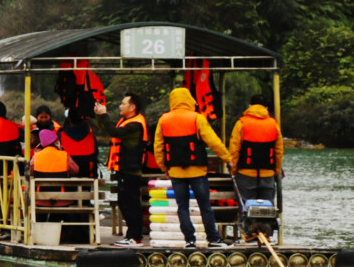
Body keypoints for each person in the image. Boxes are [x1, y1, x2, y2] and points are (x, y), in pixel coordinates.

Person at [155, 87, 233, 247]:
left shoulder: (163, 120)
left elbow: (158, 147)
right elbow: (213, 141)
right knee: (205, 206)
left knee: (182, 207)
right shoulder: (197, 118)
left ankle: (189, 240)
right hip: (197, 171)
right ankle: (213, 239)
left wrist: (164, 168)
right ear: (189, 99)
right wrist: (228, 159)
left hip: (175, 171)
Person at [228, 95, 281, 239]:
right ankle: (266, 234)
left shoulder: (241, 124)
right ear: (266, 108)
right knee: (266, 208)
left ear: (249, 105)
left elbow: (234, 150)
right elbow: (278, 151)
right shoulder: (273, 124)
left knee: (246, 208)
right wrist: (276, 171)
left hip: (245, 173)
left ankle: (248, 235)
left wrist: (233, 171)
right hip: (268, 174)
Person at [108, 94, 153, 245]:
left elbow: (115, 133)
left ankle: (135, 237)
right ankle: (131, 236)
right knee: (124, 202)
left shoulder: (135, 125)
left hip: (131, 170)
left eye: (123, 103)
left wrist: (103, 116)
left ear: (132, 107)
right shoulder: (127, 122)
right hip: (124, 169)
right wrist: (101, 117)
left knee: (131, 203)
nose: (120, 106)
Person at [59, 113, 99, 179]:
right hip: (88, 175)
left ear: (69, 119)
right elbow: (96, 153)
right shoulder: (91, 136)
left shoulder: (60, 136)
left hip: (67, 175)